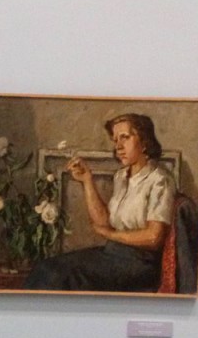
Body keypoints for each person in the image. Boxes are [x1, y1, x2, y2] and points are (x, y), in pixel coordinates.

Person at [24, 113, 175, 291]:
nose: (118, 146)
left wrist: (111, 234)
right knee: (45, 268)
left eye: (125, 137)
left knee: (59, 275)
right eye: (115, 140)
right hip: (112, 253)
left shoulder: (159, 179)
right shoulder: (121, 176)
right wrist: (87, 180)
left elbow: (153, 237)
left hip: (140, 264)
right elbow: (103, 222)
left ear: (144, 142)